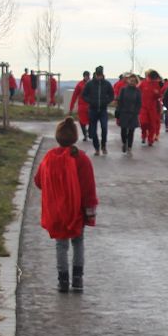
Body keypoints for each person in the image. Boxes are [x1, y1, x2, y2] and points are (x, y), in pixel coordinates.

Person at [35, 118, 98, 292]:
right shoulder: (81, 159)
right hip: (76, 210)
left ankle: (62, 280)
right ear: (75, 137)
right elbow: (88, 187)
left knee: (61, 245)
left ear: (58, 137)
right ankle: (77, 279)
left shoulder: (49, 158)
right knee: (78, 242)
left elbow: (39, 181)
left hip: (56, 209)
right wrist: (89, 210)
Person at [83, 66, 115, 155]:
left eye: (100, 75)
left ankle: (103, 145)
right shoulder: (90, 84)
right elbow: (84, 95)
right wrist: (90, 101)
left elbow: (112, 95)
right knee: (93, 131)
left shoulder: (107, 84)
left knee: (104, 127)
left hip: (103, 110)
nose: (99, 77)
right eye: (98, 75)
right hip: (93, 110)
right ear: (95, 75)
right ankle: (97, 148)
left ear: (102, 75)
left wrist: (107, 101)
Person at [114, 72, 143, 154]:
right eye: (131, 80)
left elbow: (139, 103)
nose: (132, 82)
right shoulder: (123, 90)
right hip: (124, 113)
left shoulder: (137, 91)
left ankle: (129, 146)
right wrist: (118, 110)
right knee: (123, 130)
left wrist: (136, 111)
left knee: (131, 131)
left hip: (133, 114)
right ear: (128, 81)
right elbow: (120, 101)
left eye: (134, 81)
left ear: (136, 82)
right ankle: (124, 142)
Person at [138, 70, 165, 146]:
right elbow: (137, 91)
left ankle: (150, 140)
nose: (155, 80)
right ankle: (144, 135)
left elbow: (159, 95)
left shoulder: (156, 84)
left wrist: (157, 93)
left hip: (153, 107)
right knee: (143, 123)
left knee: (152, 124)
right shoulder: (143, 83)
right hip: (143, 107)